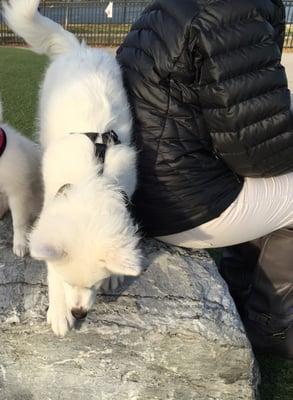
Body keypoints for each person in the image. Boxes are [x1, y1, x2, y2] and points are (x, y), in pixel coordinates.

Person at [116, 0, 293, 358]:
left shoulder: (169, 7)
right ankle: (272, 326)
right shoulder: (232, 10)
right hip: (181, 205)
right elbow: (256, 151)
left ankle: (240, 286)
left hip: (142, 192)